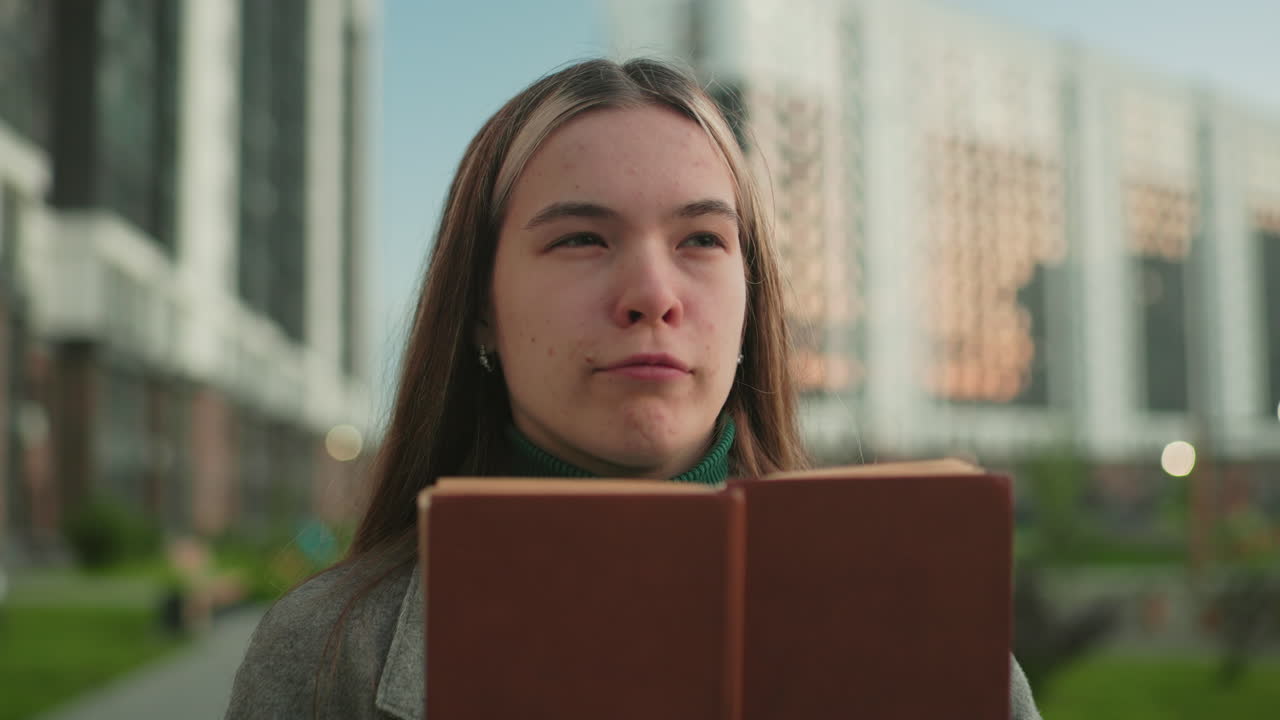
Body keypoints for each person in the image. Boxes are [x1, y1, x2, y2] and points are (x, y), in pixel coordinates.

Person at [225, 57, 1042, 720]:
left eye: (701, 239)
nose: (653, 294)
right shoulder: (322, 653)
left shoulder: (929, 634)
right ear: (479, 307)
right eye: (582, 238)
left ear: (751, 298)